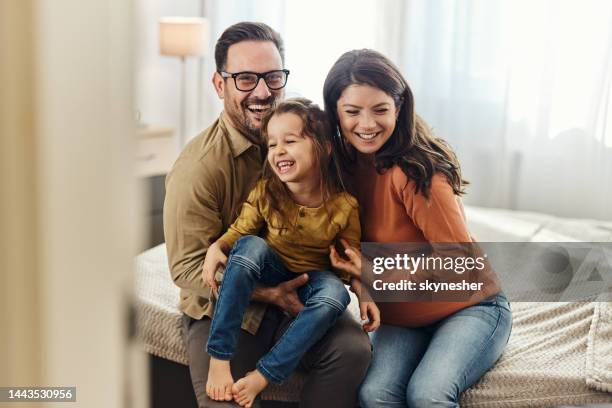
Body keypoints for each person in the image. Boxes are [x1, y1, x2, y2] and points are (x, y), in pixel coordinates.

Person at [163, 23, 372, 408]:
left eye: (273, 77)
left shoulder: (298, 133)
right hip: (229, 307)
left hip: (301, 287)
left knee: (354, 350)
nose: (263, 92)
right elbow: (186, 268)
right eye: (245, 79)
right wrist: (268, 294)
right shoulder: (199, 169)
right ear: (219, 84)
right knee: (224, 400)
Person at [323, 49, 513, 408]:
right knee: (374, 395)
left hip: (471, 307)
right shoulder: (340, 169)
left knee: (427, 394)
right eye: (352, 112)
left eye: (380, 110)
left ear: (399, 107)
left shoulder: (416, 170)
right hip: (402, 317)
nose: (366, 124)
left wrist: (373, 272)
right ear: (334, 111)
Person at [201, 98, 380, 408]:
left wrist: (363, 291)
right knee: (249, 247)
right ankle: (219, 356)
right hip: (272, 265)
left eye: (290, 141)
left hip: (313, 277)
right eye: (272, 145)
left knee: (335, 295)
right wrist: (217, 247)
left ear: (323, 148)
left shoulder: (344, 206)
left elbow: (350, 259)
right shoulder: (266, 191)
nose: (278, 151)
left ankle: (265, 374)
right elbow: (240, 232)